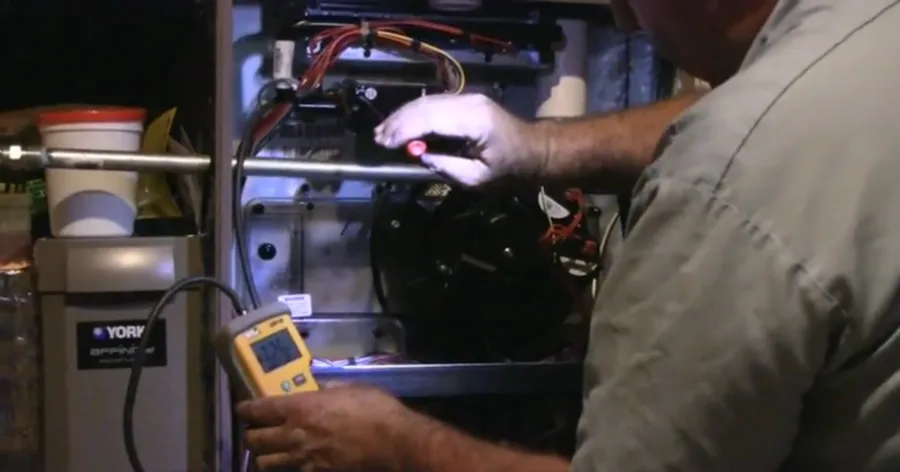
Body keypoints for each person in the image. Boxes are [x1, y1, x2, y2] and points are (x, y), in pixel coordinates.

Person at [237, 0, 900, 470]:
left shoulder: (728, 185)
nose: (622, 18)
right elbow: (775, 106)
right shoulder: (865, 37)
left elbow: (750, 138)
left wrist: (395, 447)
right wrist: (541, 149)